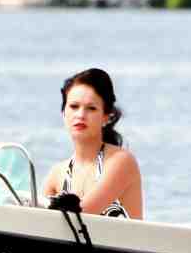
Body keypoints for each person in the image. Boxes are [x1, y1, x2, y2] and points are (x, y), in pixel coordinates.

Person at [41, 67, 143, 219]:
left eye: (91, 108)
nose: (80, 115)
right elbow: (37, 222)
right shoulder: (57, 173)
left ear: (106, 117)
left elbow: (81, 214)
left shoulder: (121, 161)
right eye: (74, 107)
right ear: (63, 113)